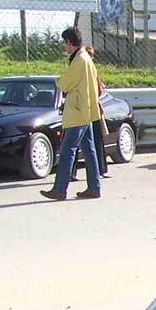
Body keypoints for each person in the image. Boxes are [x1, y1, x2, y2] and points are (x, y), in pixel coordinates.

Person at [40, 26, 101, 200]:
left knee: (67, 151)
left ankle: (60, 189)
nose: (64, 46)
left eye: (64, 43)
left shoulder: (79, 60)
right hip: (86, 111)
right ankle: (94, 187)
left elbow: (66, 83)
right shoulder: (86, 58)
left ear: (68, 42)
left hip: (77, 113)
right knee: (89, 151)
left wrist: (58, 81)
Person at [72, 45, 108, 181]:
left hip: (78, 109)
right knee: (96, 140)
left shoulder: (76, 67)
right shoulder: (92, 69)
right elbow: (99, 90)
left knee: (73, 141)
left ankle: (71, 172)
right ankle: (100, 170)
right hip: (92, 108)